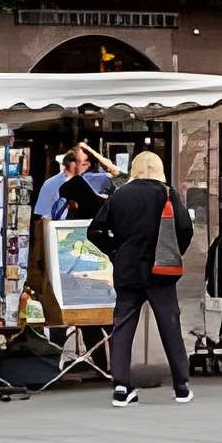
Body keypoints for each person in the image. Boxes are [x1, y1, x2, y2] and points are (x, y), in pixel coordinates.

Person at [84, 148, 195, 406]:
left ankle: (121, 387)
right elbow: (185, 230)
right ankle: (181, 385)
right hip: (161, 271)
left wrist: (115, 251)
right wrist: (174, 253)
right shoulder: (168, 194)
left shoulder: (119, 195)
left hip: (127, 271)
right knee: (170, 326)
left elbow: (95, 231)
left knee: (122, 328)